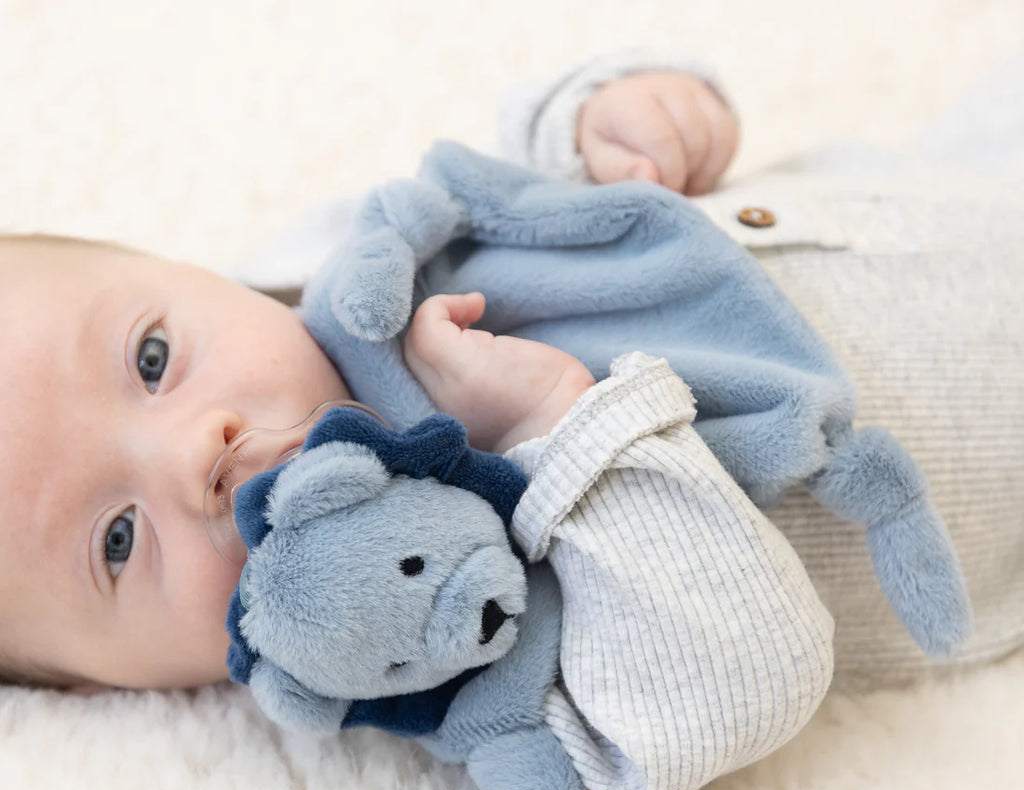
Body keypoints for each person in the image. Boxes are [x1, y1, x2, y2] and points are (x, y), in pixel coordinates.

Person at [0, 48, 1020, 708]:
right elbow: (737, 671)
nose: (191, 452)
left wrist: (600, 123)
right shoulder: (444, 638)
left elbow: (482, 180)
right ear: (106, 688)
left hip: (922, 187)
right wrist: (557, 423)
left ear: (193, 271)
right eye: (118, 540)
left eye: (150, 359)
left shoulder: (338, 274)